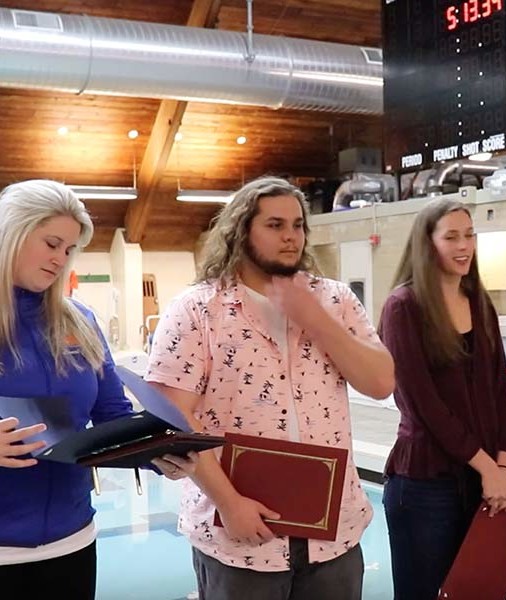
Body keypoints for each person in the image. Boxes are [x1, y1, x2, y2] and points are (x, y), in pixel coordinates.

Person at [145, 176, 395, 600]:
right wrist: (227, 501)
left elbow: (380, 382)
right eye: (275, 225)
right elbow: (170, 411)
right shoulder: (198, 309)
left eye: (298, 225)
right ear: (242, 232)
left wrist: (313, 318)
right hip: (239, 534)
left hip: (331, 534)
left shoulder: (334, 300)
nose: (291, 237)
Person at [0, 180, 193, 599]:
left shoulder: (79, 321)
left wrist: (159, 451)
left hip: (72, 540)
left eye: (69, 250)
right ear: (11, 231)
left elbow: (112, 415)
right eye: (51, 243)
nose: (60, 260)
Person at [378, 198, 506, 600]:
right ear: (427, 243)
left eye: (470, 235)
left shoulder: (479, 302)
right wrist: (488, 469)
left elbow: (499, 389)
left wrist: (504, 464)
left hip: (481, 479)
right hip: (424, 485)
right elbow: (424, 407)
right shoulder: (403, 307)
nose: (464, 246)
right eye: (451, 237)